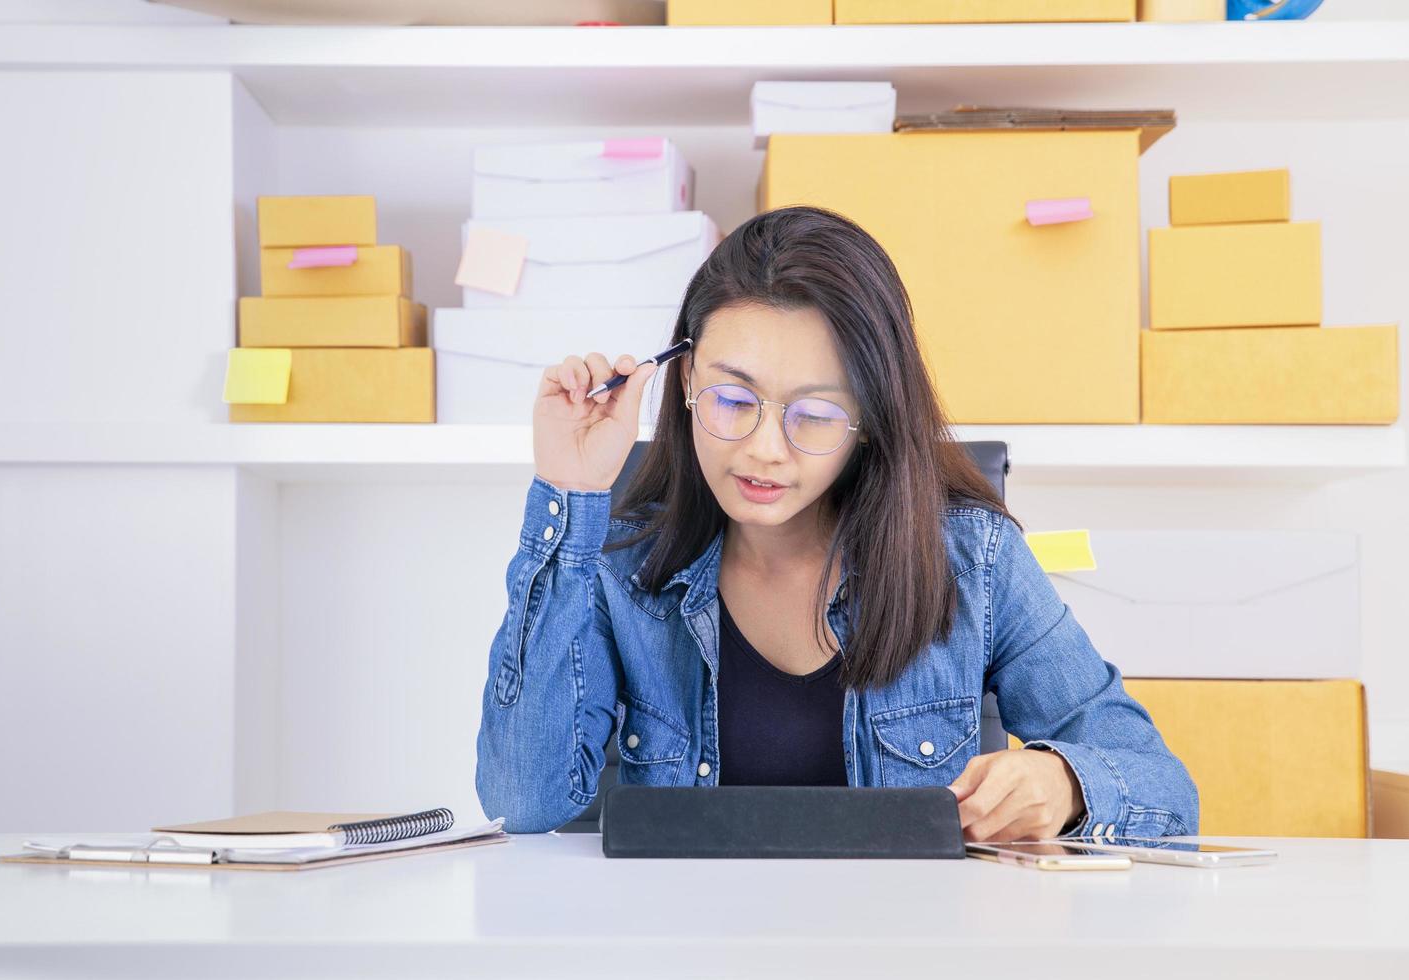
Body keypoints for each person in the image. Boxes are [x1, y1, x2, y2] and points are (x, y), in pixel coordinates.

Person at [475, 205, 1198, 840]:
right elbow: (523, 802)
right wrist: (567, 492)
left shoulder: (974, 558)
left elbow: (1164, 789)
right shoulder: (618, 563)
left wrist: (1065, 786)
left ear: (869, 419)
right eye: (732, 398)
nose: (764, 448)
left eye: (815, 414)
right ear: (687, 379)